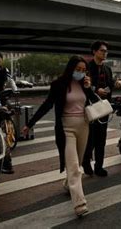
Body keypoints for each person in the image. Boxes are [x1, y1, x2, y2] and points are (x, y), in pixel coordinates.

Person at [22, 56, 97, 216]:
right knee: (74, 166)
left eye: (84, 70)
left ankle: (68, 184)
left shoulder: (84, 85)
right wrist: (30, 123)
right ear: (71, 68)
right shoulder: (59, 84)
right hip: (66, 128)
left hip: (84, 126)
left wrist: (89, 88)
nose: (81, 73)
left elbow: (94, 102)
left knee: (79, 162)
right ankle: (79, 204)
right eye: (78, 70)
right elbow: (47, 105)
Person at [82, 40, 114, 177]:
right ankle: (86, 161)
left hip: (104, 107)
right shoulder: (87, 68)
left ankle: (99, 166)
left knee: (102, 138)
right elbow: (83, 85)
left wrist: (113, 86)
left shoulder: (107, 69)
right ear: (94, 52)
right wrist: (96, 90)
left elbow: (110, 85)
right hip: (90, 107)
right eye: (102, 50)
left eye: (106, 51)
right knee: (91, 139)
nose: (104, 53)